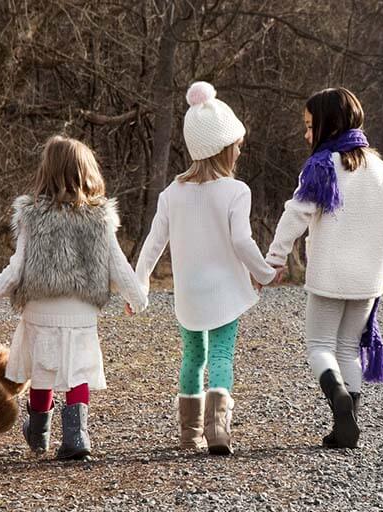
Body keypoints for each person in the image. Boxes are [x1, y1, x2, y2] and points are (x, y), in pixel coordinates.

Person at [0, 135, 148, 461]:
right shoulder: (99, 219)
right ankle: (77, 437)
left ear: (47, 172)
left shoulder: (32, 217)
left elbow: (16, 270)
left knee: (43, 371)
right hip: (80, 313)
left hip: (40, 311)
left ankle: (38, 434)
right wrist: (137, 299)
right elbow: (119, 266)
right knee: (77, 372)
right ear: (87, 173)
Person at [134, 82, 278, 455]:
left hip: (189, 295)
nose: (239, 152)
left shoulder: (172, 193)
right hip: (225, 292)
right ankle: (217, 429)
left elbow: (153, 244)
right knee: (221, 356)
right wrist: (263, 273)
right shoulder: (236, 191)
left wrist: (141, 285)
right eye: (237, 146)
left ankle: (189, 433)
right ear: (223, 148)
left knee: (193, 357)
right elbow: (243, 242)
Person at [266, 87, 383, 448]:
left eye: (310, 125)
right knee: (347, 348)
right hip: (368, 280)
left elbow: (296, 214)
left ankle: (338, 398)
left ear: (328, 126)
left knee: (318, 346)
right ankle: (347, 423)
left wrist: (275, 258)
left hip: (329, 277)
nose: (306, 134)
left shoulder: (321, 167)